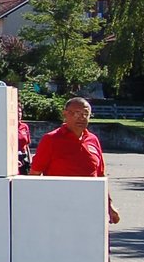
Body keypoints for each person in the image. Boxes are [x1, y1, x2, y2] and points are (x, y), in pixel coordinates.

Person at [29, 96, 120, 224]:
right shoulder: (51, 140)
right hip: (58, 209)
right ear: (65, 114)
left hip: (91, 208)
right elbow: (34, 175)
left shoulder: (93, 139)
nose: (81, 117)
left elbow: (100, 175)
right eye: (76, 113)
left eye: (85, 114)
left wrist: (109, 206)